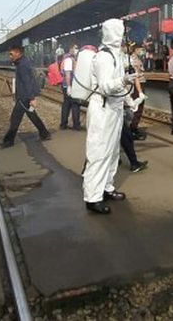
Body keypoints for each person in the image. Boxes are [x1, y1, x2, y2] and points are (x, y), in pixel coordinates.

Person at [83, 19, 140, 214]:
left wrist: (130, 101)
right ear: (114, 32)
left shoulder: (117, 55)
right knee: (99, 152)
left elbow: (117, 88)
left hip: (114, 108)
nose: (125, 35)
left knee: (113, 151)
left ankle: (106, 187)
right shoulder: (103, 57)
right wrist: (124, 79)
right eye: (122, 31)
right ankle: (92, 197)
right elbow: (106, 87)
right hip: (102, 109)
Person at [0, 45, 51, 147]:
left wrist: (32, 98)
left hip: (24, 97)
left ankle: (8, 141)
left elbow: (27, 82)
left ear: (18, 53)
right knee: (32, 115)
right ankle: (44, 133)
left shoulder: (22, 65)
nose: (10, 56)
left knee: (15, 119)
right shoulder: (22, 62)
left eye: (11, 54)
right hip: (25, 96)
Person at [59, 45, 82, 130]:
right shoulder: (69, 60)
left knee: (66, 104)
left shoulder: (69, 59)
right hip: (69, 85)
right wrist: (69, 86)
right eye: (75, 48)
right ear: (70, 49)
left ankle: (63, 124)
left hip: (68, 85)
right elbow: (68, 74)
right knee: (75, 104)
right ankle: (76, 125)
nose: (76, 49)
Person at [128, 43, 147, 140]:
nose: (142, 50)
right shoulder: (134, 60)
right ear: (136, 49)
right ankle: (133, 129)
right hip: (137, 86)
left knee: (137, 108)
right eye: (141, 48)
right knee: (137, 108)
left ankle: (132, 128)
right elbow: (136, 77)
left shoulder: (136, 58)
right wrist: (140, 92)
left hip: (138, 85)